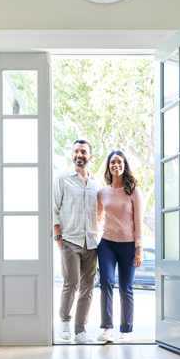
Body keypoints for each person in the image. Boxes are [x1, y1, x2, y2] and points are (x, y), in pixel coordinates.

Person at [53, 140, 100, 342]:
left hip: (91, 242)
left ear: (90, 156)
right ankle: (64, 322)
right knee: (71, 283)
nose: (79, 154)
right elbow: (53, 208)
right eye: (76, 151)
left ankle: (80, 329)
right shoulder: (62, 179)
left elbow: (100, 212)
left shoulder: (96, 182)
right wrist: (58, 236)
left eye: (83, 152)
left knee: (88, 287)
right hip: (70, 240)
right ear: (71, 154)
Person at [95, 151, 144, 342]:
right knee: (106, 282)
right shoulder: (102, 192)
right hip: (106, 244)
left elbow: (139, 222)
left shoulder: (133, 191)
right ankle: (107, 328)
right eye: (112, 162)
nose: (116, 165)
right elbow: (97, 217)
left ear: (124, 166)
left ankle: (126, 330)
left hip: (128, 245)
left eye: (120, 162)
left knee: (126, 287)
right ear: (108, 166)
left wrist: (139, 249)